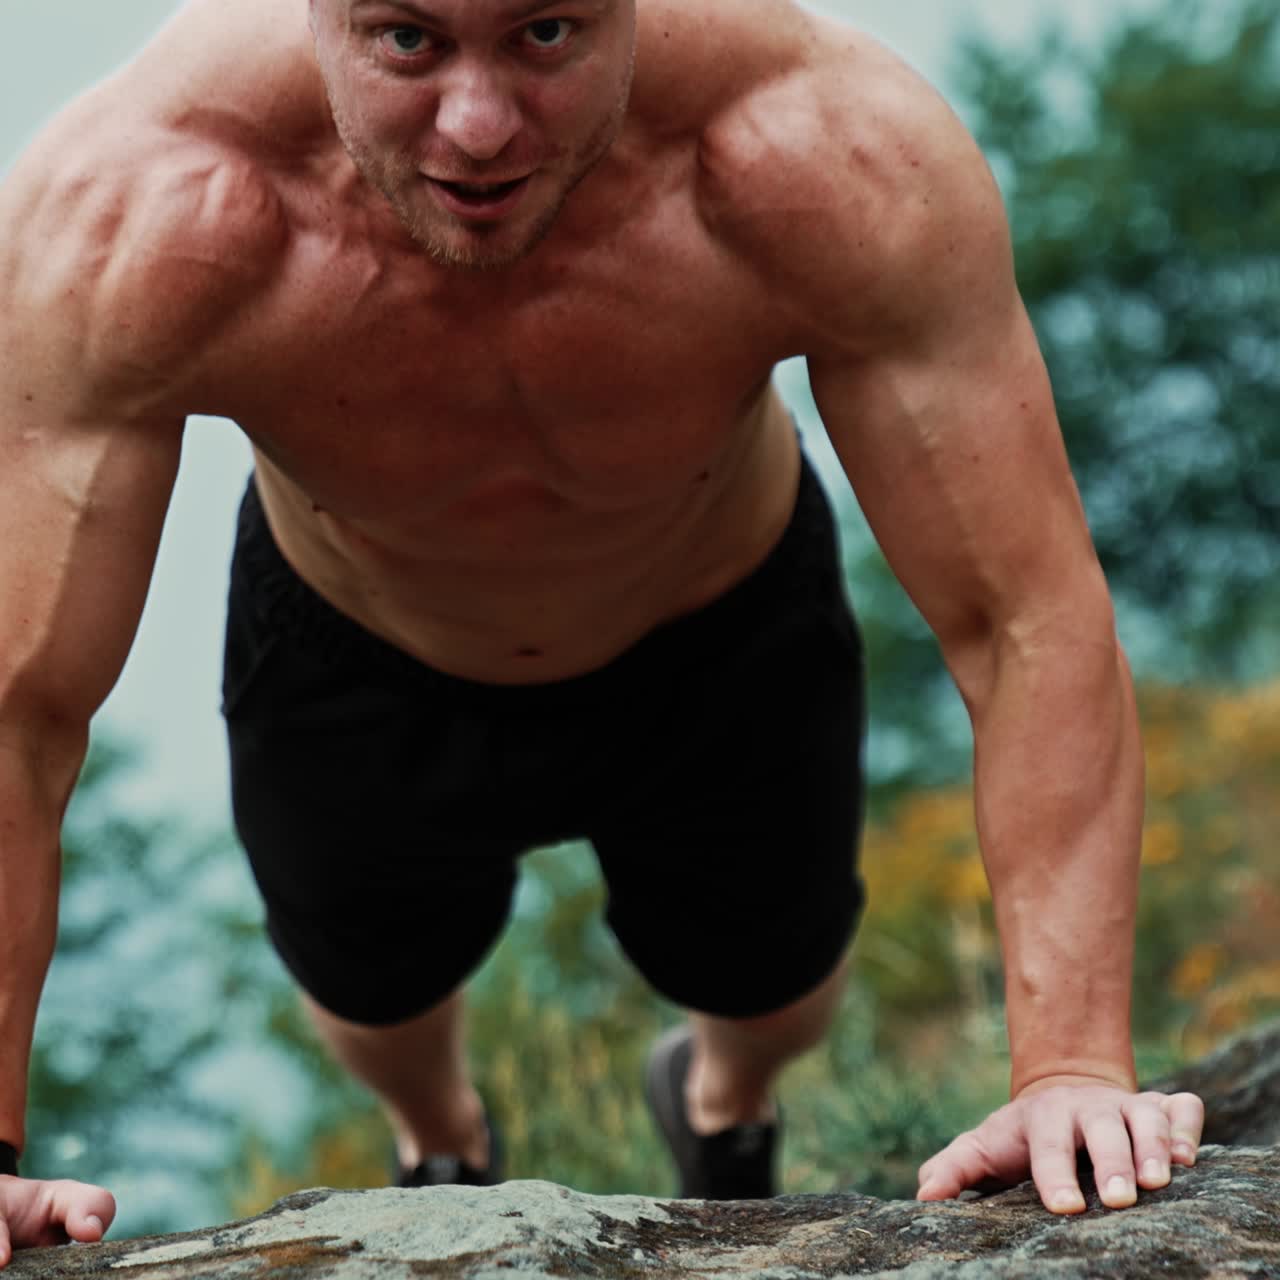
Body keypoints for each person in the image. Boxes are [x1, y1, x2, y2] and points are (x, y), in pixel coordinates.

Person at [0, 0, 1204, 1262]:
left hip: (715, 627)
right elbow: (21, 715)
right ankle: (442, 1131)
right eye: (407, 39)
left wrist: (1066, 1062)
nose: (476, 128)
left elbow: (1024, 618)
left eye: (545, 33)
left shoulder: (823, 150)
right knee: (373, 1002)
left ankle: (720, 1101)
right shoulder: (140, 209)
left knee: (772, 991)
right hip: (355, 639)